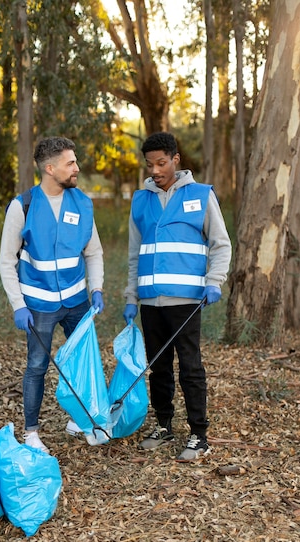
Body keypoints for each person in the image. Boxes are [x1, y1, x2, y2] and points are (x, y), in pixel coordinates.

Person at [123, 132, 231, 462]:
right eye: (150, 164)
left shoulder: (200, 195)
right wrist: (131, 295)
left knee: (190, 367)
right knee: (159, 368)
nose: (155, 170)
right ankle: (164, 425)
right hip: (151, 301)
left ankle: (199, 434)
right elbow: (133, 253)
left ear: (175, 159)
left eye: (161, 163)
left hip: (187, 300)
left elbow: (221, 243)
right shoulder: (141, 200)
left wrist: (214, 281)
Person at [0, 137, 104, 453]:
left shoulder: (82, 203)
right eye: (70, 163)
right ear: (50, 168)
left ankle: (79, 420)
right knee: (37, 366)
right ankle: (31, 432)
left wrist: (96, 289)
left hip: (77, 301)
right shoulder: (24, 206)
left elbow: (94, 251)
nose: (77, 168)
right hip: (39, 303)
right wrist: (18, 305)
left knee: (82, 362)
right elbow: (7, 260)